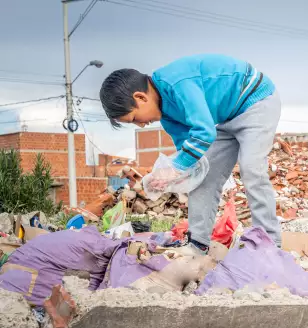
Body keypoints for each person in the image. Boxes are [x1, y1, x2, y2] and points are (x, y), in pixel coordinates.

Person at [100, 54, 281, 255]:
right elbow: (191, 158)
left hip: (255, 102)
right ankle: (198, 245)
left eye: (134, 118)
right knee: (205, 179)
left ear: (140, 98)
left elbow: (204, 133)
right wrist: (170, 177)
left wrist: (175, 168)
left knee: (251, 168)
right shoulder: (167, 115)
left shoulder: (177, 83)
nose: (141, 124)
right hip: (225, 119)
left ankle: (270, 245)